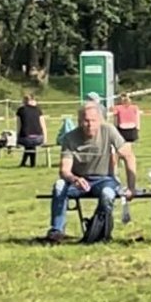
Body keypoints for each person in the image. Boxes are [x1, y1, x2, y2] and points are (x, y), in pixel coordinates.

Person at [46, 102, 137, 244]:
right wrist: (74, 179)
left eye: (93, 120)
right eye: (86, 121)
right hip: (78, 181)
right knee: (59, 185)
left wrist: (131, 187)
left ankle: (98, 229)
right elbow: (64, 170)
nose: (89, 124)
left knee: (108, 194)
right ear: (79, 121)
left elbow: (129, 155)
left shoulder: (109, 130)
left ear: (100, 120)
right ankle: (56, 230)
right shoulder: (69, 138)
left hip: (105, 179)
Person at [15, 93, 48, 168]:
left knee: (29, 145)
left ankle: (26, 163)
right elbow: (43, 126)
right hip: (38, 138)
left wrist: (17, 139)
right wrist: (45, 139)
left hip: (25, 138)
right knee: (31, 146)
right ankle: (31, 164)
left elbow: (18, 126)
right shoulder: (38, 110)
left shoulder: (20, 110)